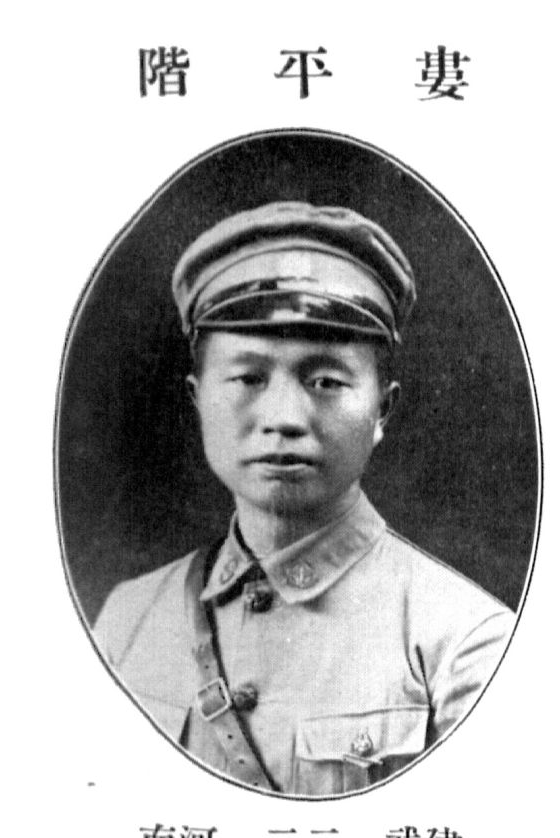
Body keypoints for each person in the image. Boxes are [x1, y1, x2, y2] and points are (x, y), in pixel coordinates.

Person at [94, 201, 515, 796]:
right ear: (197, 399)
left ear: (382, 410)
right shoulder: (127, 619)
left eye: (325, 381)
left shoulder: (465, 643)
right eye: (248, 378)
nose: (285, 418)